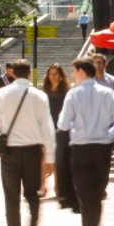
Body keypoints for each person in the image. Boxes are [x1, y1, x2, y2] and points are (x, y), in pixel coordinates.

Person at [0, 60, 55, 226]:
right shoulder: (40, 96)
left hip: (10, 153)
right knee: (33, 194)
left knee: (11, 199)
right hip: (33, 152)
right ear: (30, 73)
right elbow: (47, 127)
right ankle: (34, 224)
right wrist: (50, 156)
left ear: (13, 73)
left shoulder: (3, 94)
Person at [56, 58, 114, 226]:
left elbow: (63, 124)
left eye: (74, 71)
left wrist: (77, 130)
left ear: (81, 71)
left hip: (81, 149)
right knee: (97, 194)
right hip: (102, 150)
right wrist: (105, 136)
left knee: (86, 198)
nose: (72, 75)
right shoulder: (108, 93)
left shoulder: (74, 94)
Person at [42, 64, 74, 209]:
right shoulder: (44, 92)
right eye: (51, 74)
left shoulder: (67, 92)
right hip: (46, 128)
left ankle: (58, 186)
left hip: (62, 128)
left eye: (56, 74)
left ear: (61, 76)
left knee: (59, 159)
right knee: (45, 158)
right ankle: (42, 185)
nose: (53, 76)